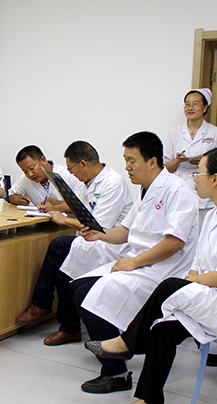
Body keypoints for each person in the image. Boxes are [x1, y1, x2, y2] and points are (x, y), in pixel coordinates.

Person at [87, 147, 217, 404]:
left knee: (169, 286)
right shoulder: (213, 214)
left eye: (198, 173)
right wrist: (191, 282)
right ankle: (149, 401)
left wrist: (188, 284)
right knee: (163, 327)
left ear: (215, 179)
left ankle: (127, 343)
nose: (194, 179)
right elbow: (199, 266)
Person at [69, 131, 199, 394]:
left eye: (132, 161)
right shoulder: (145, 190)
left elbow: (175, 242)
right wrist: (99, 234)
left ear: (152, 161)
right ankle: (121, 350)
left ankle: (116, 370)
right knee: (77, 287)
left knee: (87, 295)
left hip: (163, 269)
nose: (127, 167)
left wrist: (135, 262)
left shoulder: (177, 191)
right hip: (139, 262)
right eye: (125, 160)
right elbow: (126, 232)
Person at [15, 141, 133, 347]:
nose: (71, 173)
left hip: (110, 245)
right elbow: (80, 210)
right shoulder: (89, 182)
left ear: (83, 164)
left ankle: (49, 311)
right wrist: (57, 207)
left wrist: (63, 220)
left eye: (71, 169)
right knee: (64, 261)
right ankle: (66, 325)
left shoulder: (112, 183)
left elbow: (98, 227)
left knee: (60, 247)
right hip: (91, 240)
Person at [163, 88, 217, 223]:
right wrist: (177, 161)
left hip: (206, 198)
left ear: (205, 107)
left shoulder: (216, 133)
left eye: (195, 104)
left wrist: (204, 162)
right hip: (180, 192)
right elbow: (165, 169)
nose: (190, 108)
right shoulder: (174, 133)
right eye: (187, 104)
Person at [7, 145, 85, 208]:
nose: (30, 174)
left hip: (68, 221)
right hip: (41, 221)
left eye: (32, 168)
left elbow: (82, 204)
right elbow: (11, 195)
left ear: (43, 159)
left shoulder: (68, 175)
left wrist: (55, 205)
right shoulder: (26, 179)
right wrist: (18, 200)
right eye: (25, 171)